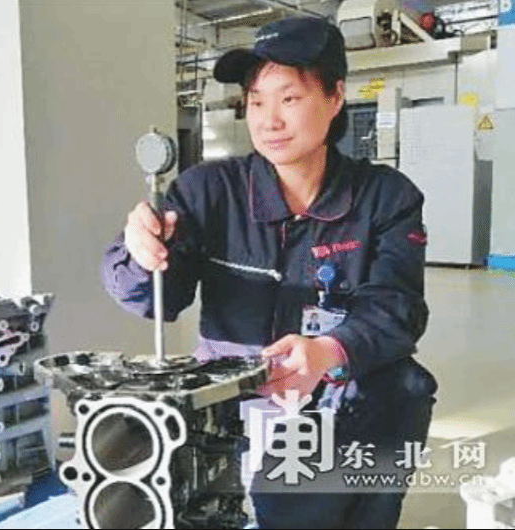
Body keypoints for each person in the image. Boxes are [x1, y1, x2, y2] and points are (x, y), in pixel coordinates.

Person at [101, 15, 437, 529]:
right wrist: (138, 253)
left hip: (333, 392)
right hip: (231, 396)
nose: (268, 120)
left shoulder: (385, 197)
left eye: (290, 98)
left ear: (336, 96)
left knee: (396, 396)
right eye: (256, 101)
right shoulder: (208, 191)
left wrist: (329, 351)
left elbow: (398, 307)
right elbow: (155, 299)